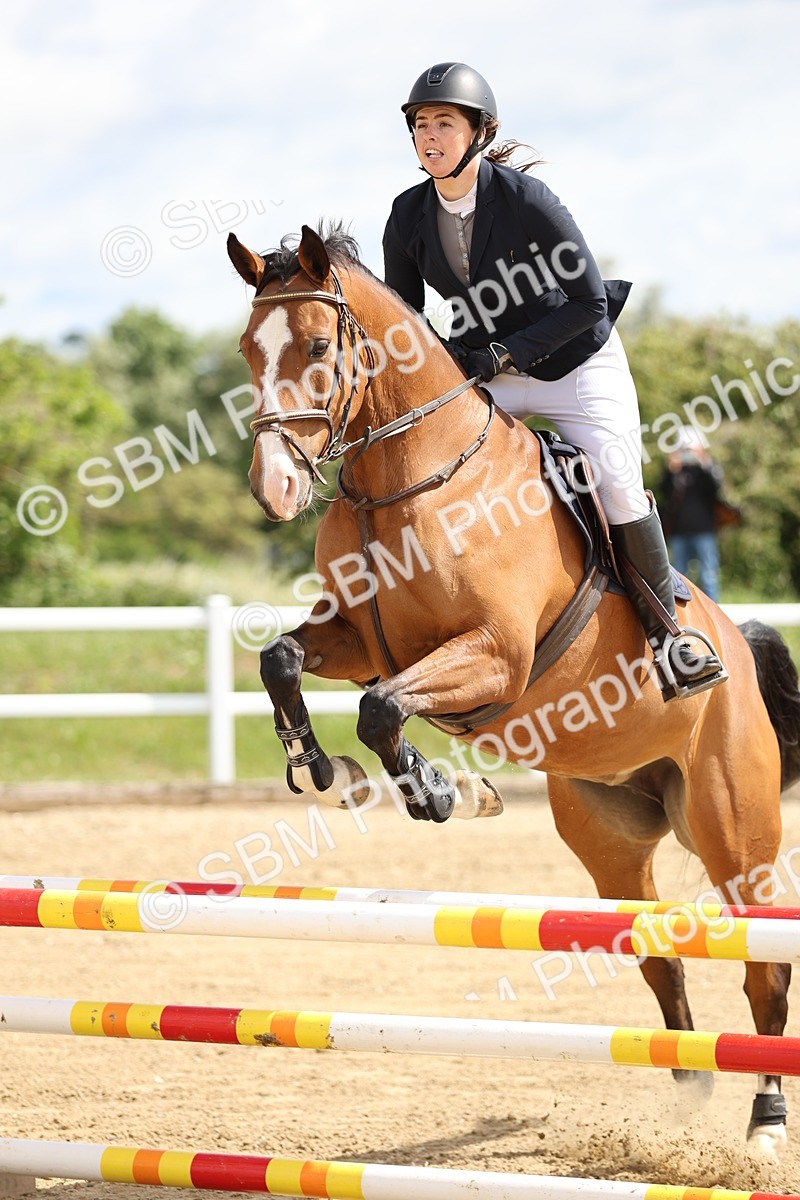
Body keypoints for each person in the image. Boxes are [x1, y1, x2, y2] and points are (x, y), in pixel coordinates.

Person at [383, 61, 727, 701]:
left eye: (443, 124)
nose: (429, 136)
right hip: (495, 372)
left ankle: (669, 637)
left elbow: (589, 303)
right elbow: (407, 327)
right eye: (420, 125)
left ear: (479, 132)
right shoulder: (407, 216)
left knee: (620, 485)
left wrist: (501, 352)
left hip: (577, 363)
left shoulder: (526, 200)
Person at [659, 427, 724, 602]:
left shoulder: (706, 468)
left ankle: (714, 616)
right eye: (684, 450)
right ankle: (682, 617)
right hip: (679, 531)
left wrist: (705, 464)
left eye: (691, 450)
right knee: (678, 578)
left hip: (704, 530)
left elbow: (716, 489)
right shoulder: (675, 470)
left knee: (708, 576)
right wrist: (670, 471)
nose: (688, 454)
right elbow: (664, 493)